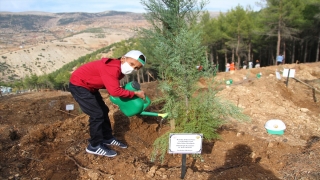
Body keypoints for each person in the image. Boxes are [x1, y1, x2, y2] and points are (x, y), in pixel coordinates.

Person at [69, 50, 146, 157]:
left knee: (104, 110)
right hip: (79, 85)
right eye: (132, 64)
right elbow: (114, 91)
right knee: (97, 114)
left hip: (90, 86)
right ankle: (94, 146)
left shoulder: (119, 69)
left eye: (136, 68)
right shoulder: (113, 68)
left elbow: (109, 84)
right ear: (123, 58)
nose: (133, 68)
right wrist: (135, 93)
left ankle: (107, 137)